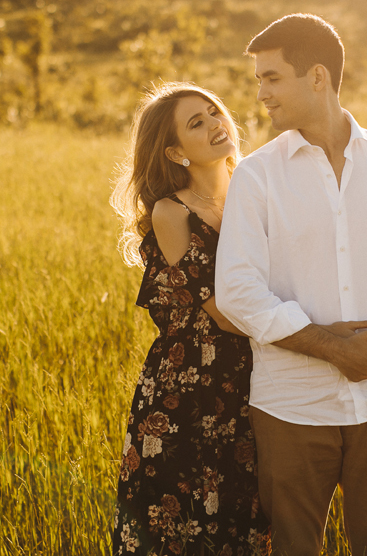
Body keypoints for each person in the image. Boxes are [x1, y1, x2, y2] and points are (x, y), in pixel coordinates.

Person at [214, 14, 367, 556]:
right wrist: (332, 348)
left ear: (318, 76)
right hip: (291, 408)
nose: (261, 95)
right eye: (259, 81)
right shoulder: (257, 175)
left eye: (272, 78)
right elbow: (236, 290)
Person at [110, 82, 270, 556]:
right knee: (182, 524)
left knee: (247, 517)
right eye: (195, 124)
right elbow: (222, 311)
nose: (216, 125)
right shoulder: (172, 213)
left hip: (256, 376)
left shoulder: (257, 194)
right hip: (189, 388)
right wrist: (314, 336)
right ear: (176, 151)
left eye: (214, 112)